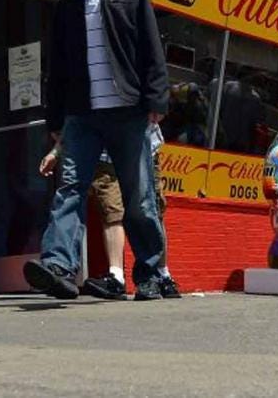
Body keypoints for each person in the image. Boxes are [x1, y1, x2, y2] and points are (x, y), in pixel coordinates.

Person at [24, 0, 172, 301]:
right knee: (70, 188)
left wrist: (156, 101)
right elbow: (56, 68)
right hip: (82, 116)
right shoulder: (69, 3)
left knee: (139, 196)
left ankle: (151, 274)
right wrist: (56, 120)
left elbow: (151, 49)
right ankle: (58, 265)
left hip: (128, 111)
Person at [37, 122, 180, 300]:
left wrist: (156, 105)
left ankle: (162, 275)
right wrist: (56, 151)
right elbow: (76, 115)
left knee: (150, 210)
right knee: (112, 212)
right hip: (103, 154)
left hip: (142, 148)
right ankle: (116, 276)